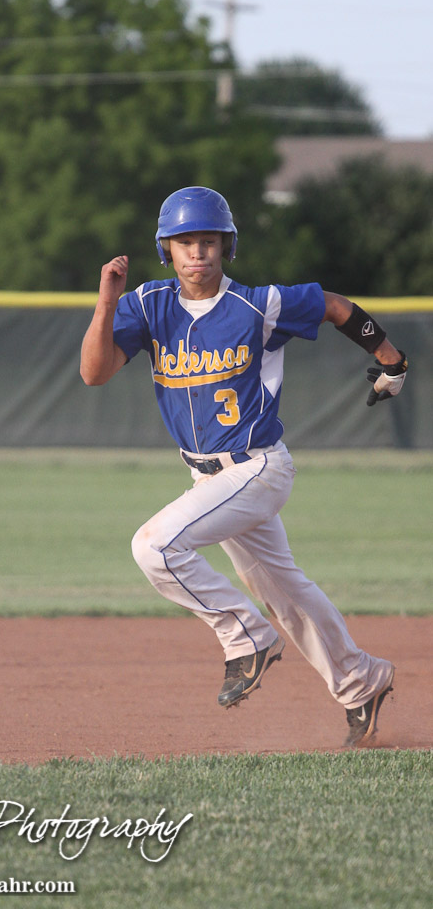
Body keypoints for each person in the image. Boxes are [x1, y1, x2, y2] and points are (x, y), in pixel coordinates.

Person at [80, 185, 408, 747]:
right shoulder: (147, 305)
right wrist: (107, 300)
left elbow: (333, 305)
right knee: (285, 590)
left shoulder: (258, 305)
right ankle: (361, 681)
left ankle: (247, 639)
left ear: (226, 246)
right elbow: (95, 372)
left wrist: (390, 358)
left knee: (154, 546)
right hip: (208, 477)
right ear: (167, 249)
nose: (197, 252)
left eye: (208, 240)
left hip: (256, 467)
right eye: (185, 242)